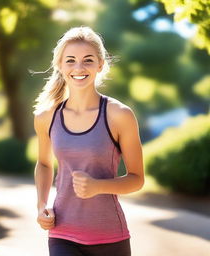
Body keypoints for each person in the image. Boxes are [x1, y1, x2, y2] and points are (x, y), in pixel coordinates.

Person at [33, 26, 144, 256]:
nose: (79, 68)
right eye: (71, 60)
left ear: (100, 64)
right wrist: (42, 206)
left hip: (110, 236)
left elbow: (137, 179)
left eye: (88, 60)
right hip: (62, 233)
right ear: (60, 66)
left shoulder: (119, 115)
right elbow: (44, 164)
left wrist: (98, 186)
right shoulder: (46, 117)